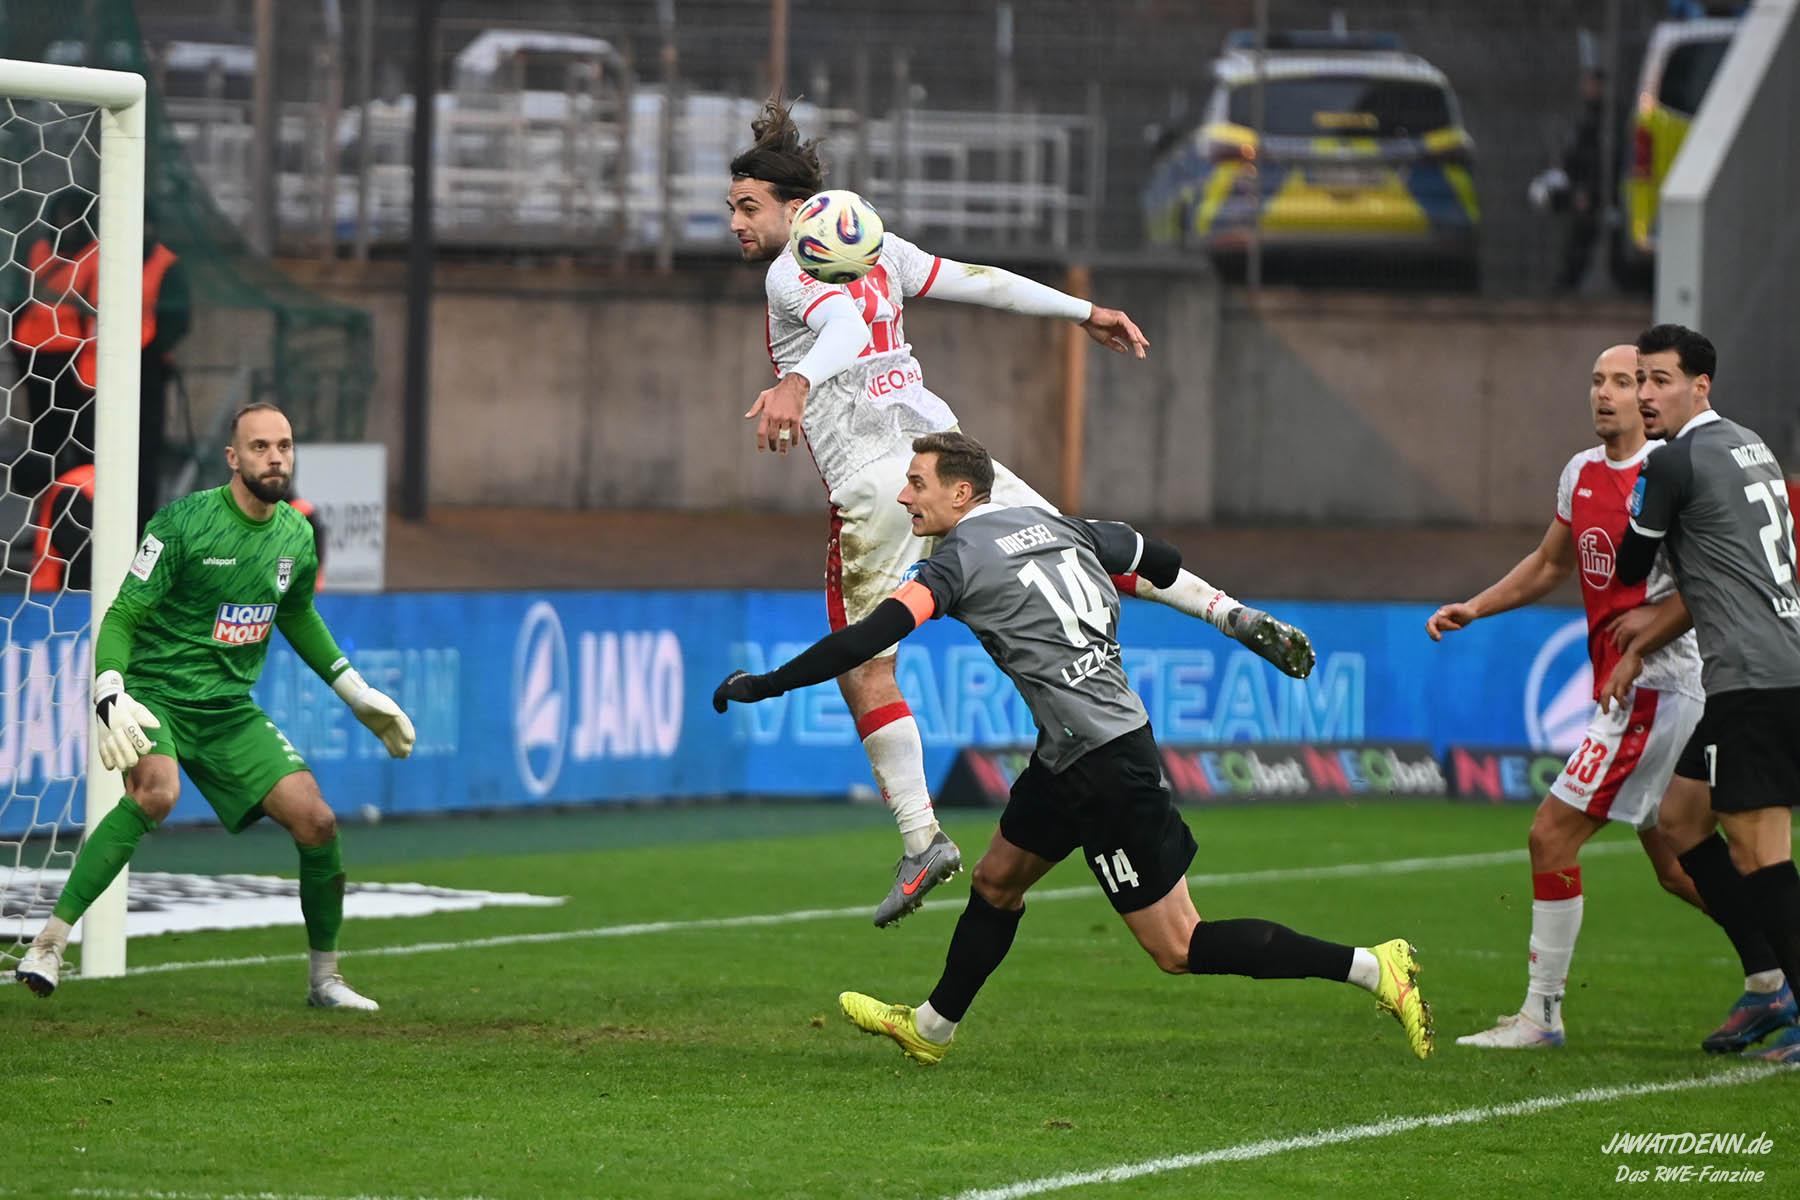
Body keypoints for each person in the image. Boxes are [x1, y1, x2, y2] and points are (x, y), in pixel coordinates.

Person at [727, 98, 1311, 927]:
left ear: (800, 210)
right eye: (734, 208)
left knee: (868, 669)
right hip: (951, 456)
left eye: (749, 208)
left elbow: (841, 325)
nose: (737, 224)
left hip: (880, 483)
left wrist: (795, 382)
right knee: (1071, 546)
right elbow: (981, 281)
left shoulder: (792, 272)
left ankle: (922, 840)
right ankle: (1229, 611)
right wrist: (1085, 312)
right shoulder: (883, 250)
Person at [713, 432, 1427, 1066]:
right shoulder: (1060, 525)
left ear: (961, 494)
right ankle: (932, 1027)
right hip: (1069, 752)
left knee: (1179, 946)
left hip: (1104, 767)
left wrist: (768, 684)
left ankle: (1372, 967)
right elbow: (1161, 559)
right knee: (997, 881)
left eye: (917, 483)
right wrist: (1224, 612)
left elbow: (867, 639)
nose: (904, 497)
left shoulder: (954, 564)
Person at [1426, 344, 1790, 1050]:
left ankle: (1541, 1016)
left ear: (1660, 393)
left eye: (1628, 381)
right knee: (1678, 864)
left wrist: (1643, 643)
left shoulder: (1673, 471)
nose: (1610, 393)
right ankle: (1773, 980)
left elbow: (1708, 582)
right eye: (1600, 380)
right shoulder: (1582, 473)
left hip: (1659, 687)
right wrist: (1477, 606)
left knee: (1550, 835)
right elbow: (1550, 563)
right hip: (1634, 689)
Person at [13, 403, 415, 1010]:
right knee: (156, 793)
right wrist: (110, 691)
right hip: (155, 694)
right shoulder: (183, 524)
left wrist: (355, 690)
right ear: (233, 457)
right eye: (260, 447)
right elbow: (123, 614)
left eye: (284, 446)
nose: (274, 458)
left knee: (318, 821)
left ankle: (325, 981)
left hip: (227, 709)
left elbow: (297, 614)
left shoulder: (296, 534)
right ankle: (48, 944)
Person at [1614, 324, 1800, 1063]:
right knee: (1681, 821)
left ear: (1700, 386)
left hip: (1753, 680)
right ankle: (1767, 982)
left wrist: (1637, 488)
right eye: (1639, 379)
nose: (1644, 395)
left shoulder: (1672, 462)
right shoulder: (1749, 444)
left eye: (1659, 380)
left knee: (1760, 856)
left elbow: (1630, 567)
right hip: (1769, 667)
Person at [72, 218, 190, 530]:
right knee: (88, 451)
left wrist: (154, 350)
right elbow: (73, 300)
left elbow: (178, 317)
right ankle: (84, 524)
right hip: (92, 373)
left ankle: (138, 526)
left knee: (141, 452)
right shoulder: (94, 254)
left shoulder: (166, 264)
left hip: (143, 372)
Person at [7, 187, 97, 500]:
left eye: (72, 216)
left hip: (73, 356)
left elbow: (95, 305)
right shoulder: (39, 248)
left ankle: (82, 509)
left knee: (82, 436)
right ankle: (47, 509)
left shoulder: (96, 254)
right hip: (34, 352)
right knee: (45, 437)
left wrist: (62, 299)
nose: (66, 223)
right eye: (61, 215)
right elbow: (19, 297)